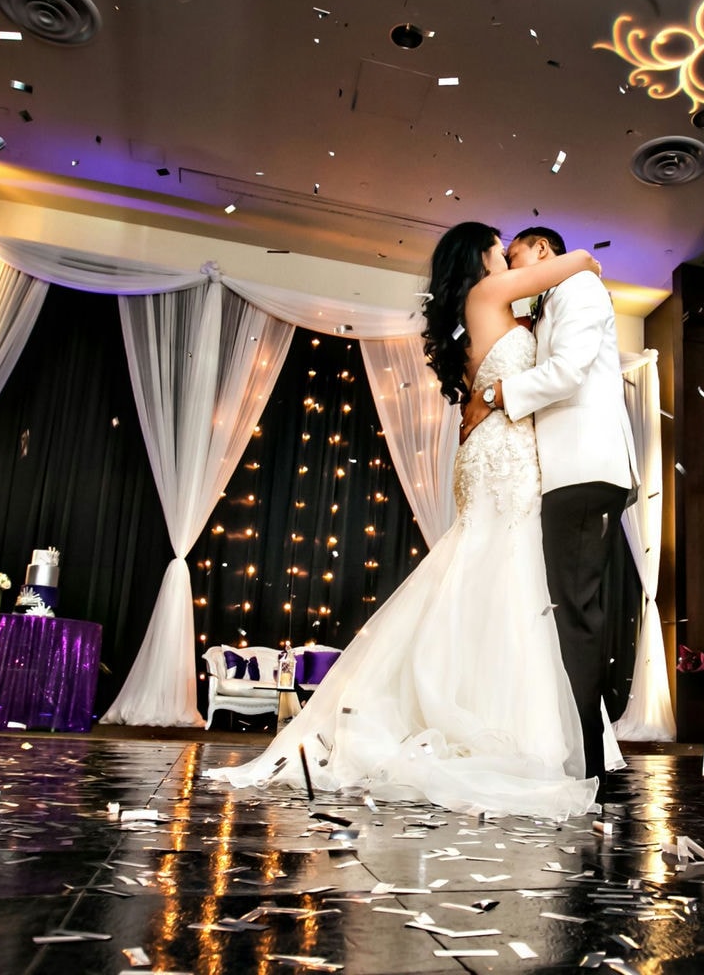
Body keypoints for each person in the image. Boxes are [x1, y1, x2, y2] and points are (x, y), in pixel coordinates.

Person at [208, 222, 605, 819]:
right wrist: (572, 268)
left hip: (490, 450)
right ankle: (507, 728)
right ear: (479, 257)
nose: (507, 256)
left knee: (487, 579)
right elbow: (582, 260)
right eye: (500, 248)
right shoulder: (488, 295)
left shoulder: (481, 309)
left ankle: (478, 709)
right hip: (504, 454)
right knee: (505, 578)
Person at [459, 226, 640, 798]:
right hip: (562, 471)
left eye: (514, 256)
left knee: (575, 614)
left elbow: (567, 373)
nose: (510, 268)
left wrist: (493, 397)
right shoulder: (550, 299)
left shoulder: (579, 286)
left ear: (541, 252)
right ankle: (584, 748)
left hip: (582, 468)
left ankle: (587, 756)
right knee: (564, 610)